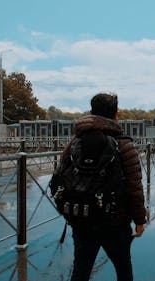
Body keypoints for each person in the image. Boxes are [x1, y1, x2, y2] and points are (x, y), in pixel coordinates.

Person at [64, 92, 147, 281]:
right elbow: (134, 186)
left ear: (92, 112)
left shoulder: (76, 141)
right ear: (115, 114)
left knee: (80, 271)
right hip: (115, 221)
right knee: (124, 270)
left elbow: (61, 177)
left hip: (83, 218)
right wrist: (139, 220)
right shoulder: (124, 144)